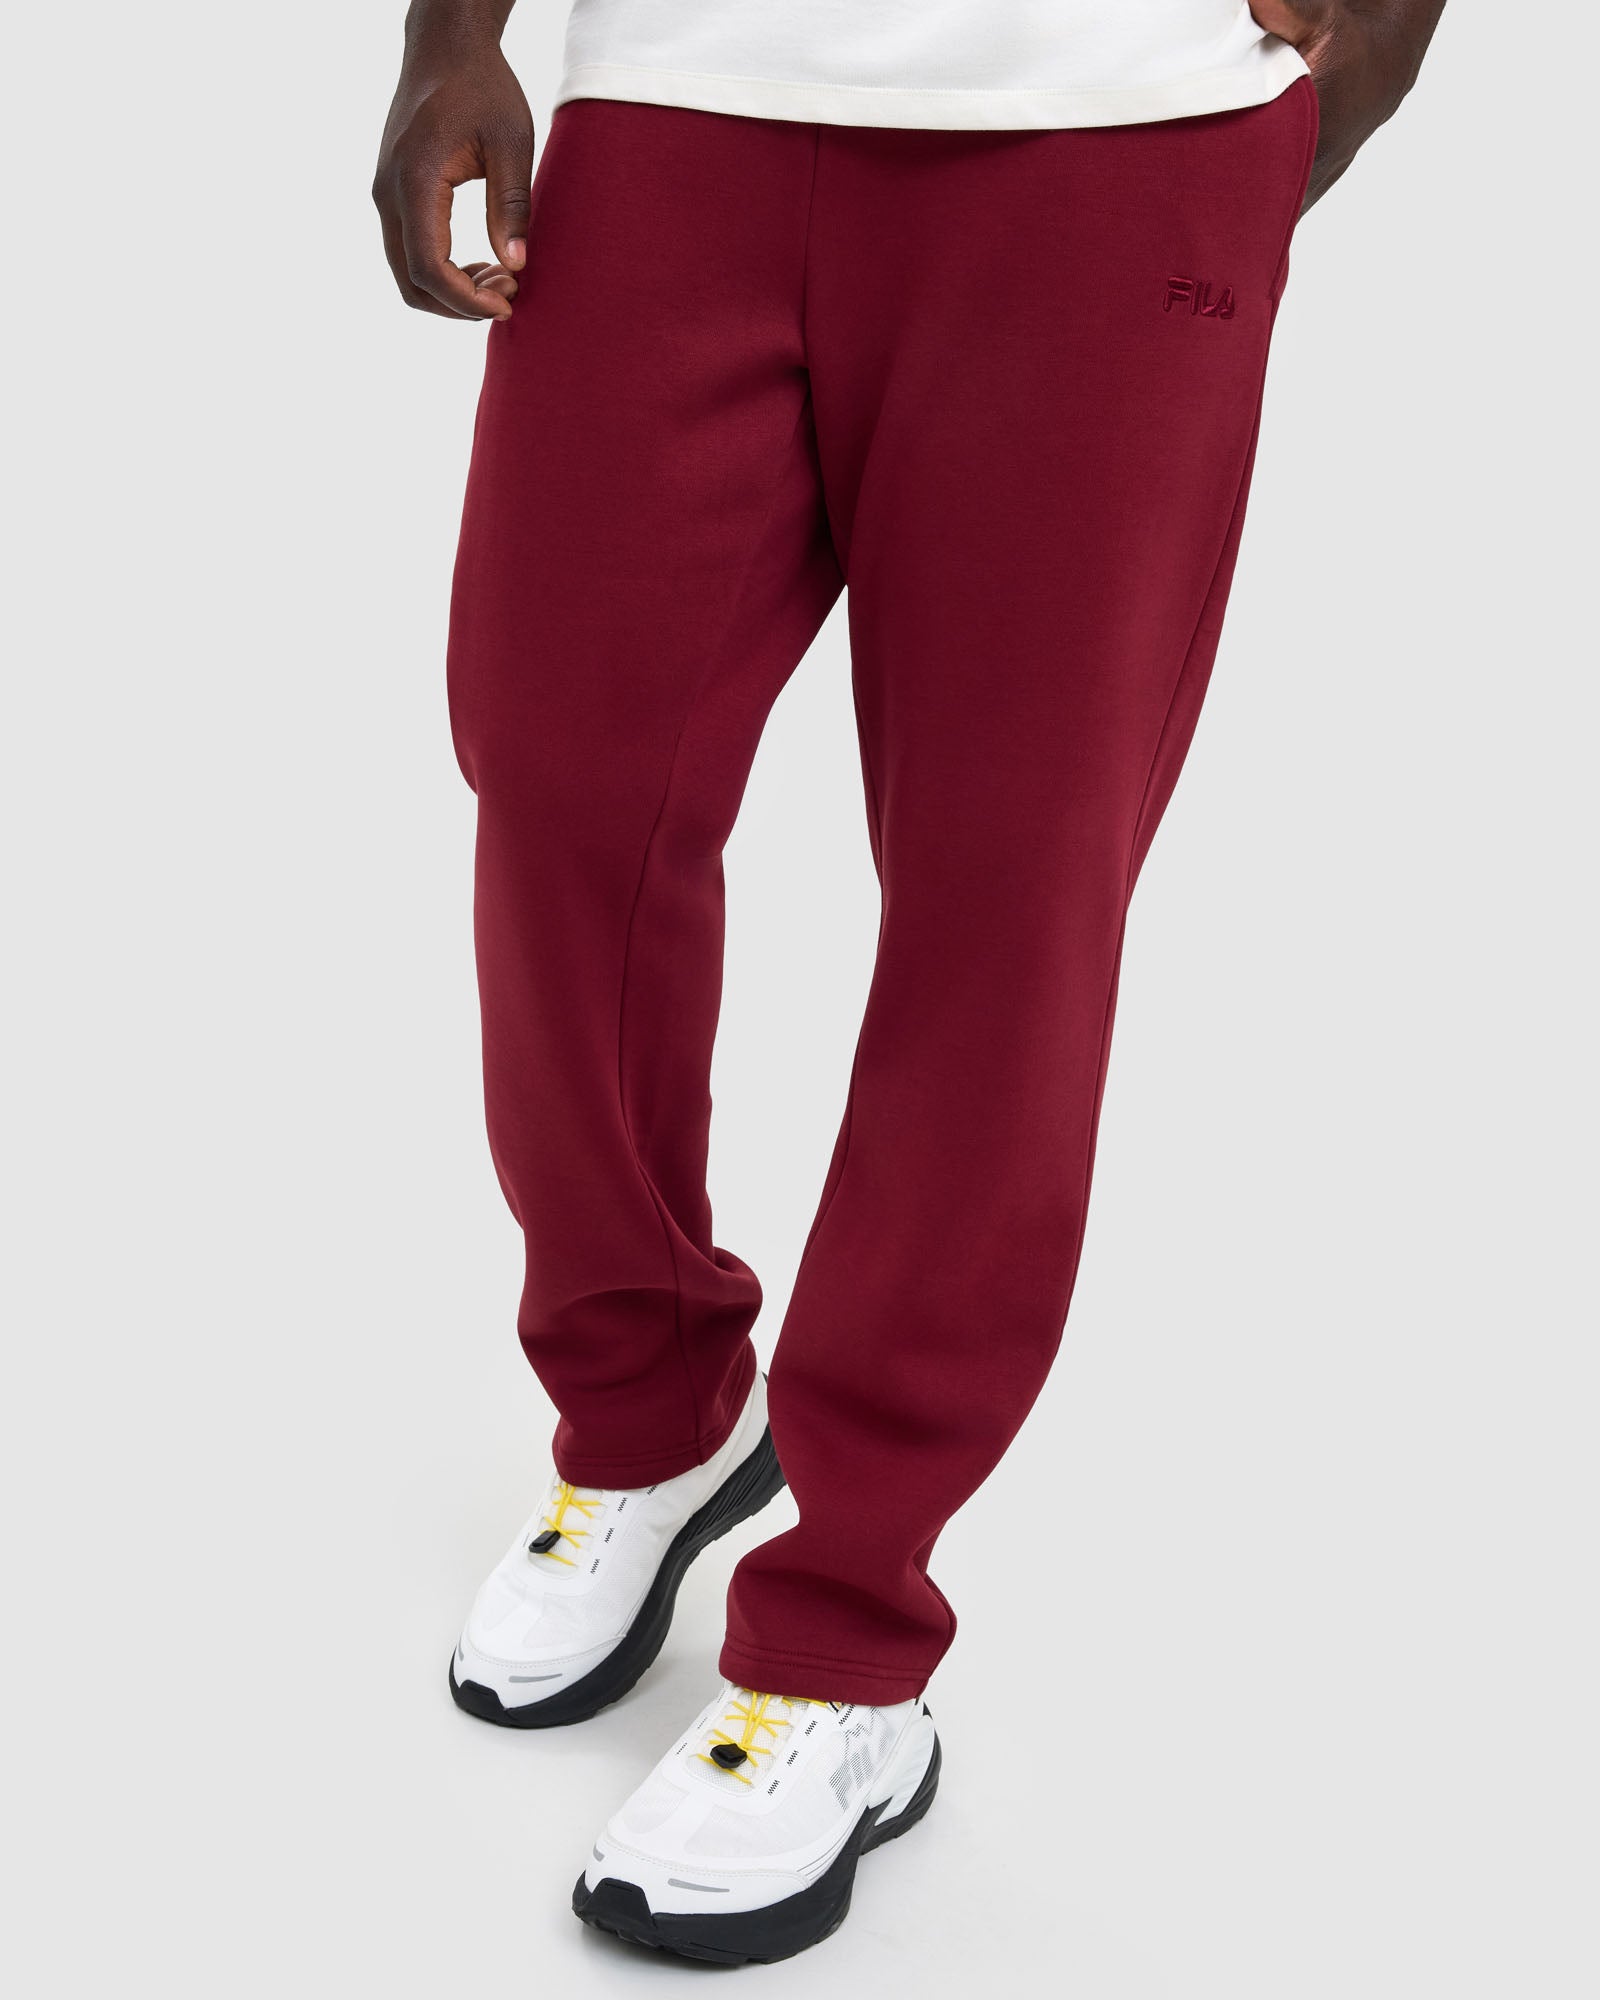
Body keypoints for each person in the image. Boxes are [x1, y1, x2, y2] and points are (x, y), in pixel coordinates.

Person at [374, 0, 1445, 1964]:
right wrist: (452, 40)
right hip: (677, 94)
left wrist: (1380, 44)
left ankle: (846, 1646)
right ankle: (647, 1410)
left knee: (1005, 890)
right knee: (559, 778)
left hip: (1111, 135)